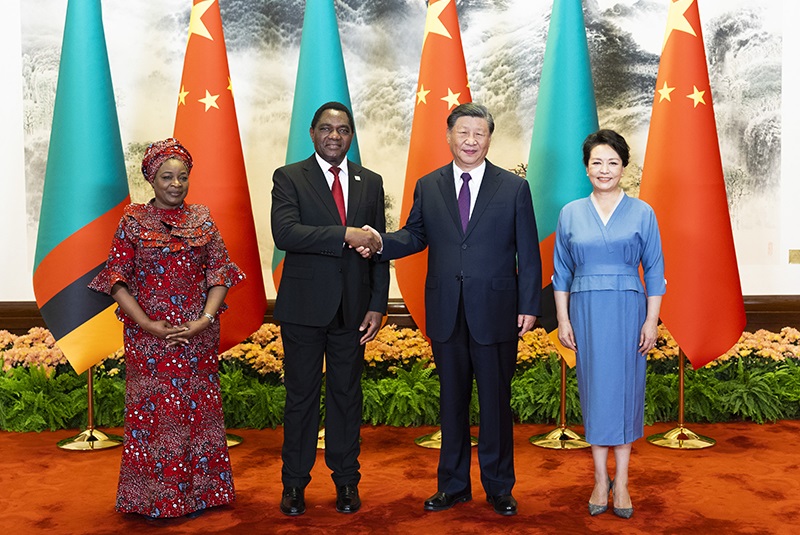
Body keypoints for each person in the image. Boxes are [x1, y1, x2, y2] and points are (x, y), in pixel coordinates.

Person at [362, 103, 541, 516]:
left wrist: (530, 303)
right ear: (449, 136)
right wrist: (379, 241)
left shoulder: (514, 188)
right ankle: (453, 486)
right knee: (451, 403)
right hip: (446, 311)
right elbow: (414, 235)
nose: (471, 141)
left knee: (495, 404)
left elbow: (529, 252)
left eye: (479, 133)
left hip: (496, 311)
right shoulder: (429, 186)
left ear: (489, 138)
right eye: (464, 133)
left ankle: (499, 487)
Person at [89, 138, 244, 518]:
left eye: (182, 176)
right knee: (154, 417)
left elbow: (220, 273)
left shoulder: (203, 219)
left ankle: (204, 495)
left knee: (198, 414)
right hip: (148, 339)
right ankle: (151, 500)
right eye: (167, 177)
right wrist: (146, 324)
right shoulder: (132, 220)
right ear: (151, 179)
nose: (176, 184)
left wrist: (204, 320)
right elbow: (116, 279)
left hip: (197, 335)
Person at [271, 101, 389, 516]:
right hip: (304, 309)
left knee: (346, 398)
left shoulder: (370, 182)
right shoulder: (289, 177)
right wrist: (344, 234)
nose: (334, 136)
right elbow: (286, 233)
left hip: (354, 311)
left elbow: (378, 248)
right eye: (326, 128)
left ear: (351, 135)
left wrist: (377, 304)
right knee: (301, 398)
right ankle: (294, 484)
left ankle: (346, 482)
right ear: (312, 133)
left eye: (342, 129)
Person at [552, 129, 665, 519]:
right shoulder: (570, 213)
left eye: (612, 162)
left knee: (626, 392)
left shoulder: (643, 212)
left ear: (623, 167)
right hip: (585, 311)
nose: (604, 169)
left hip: (629, 311)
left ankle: (624, 481)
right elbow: (561, 273)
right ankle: (601, 479)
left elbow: (655, 271)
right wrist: (563, 319)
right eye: (597, 162)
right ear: (586, 168)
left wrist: (651, 321)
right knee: (596, 392)